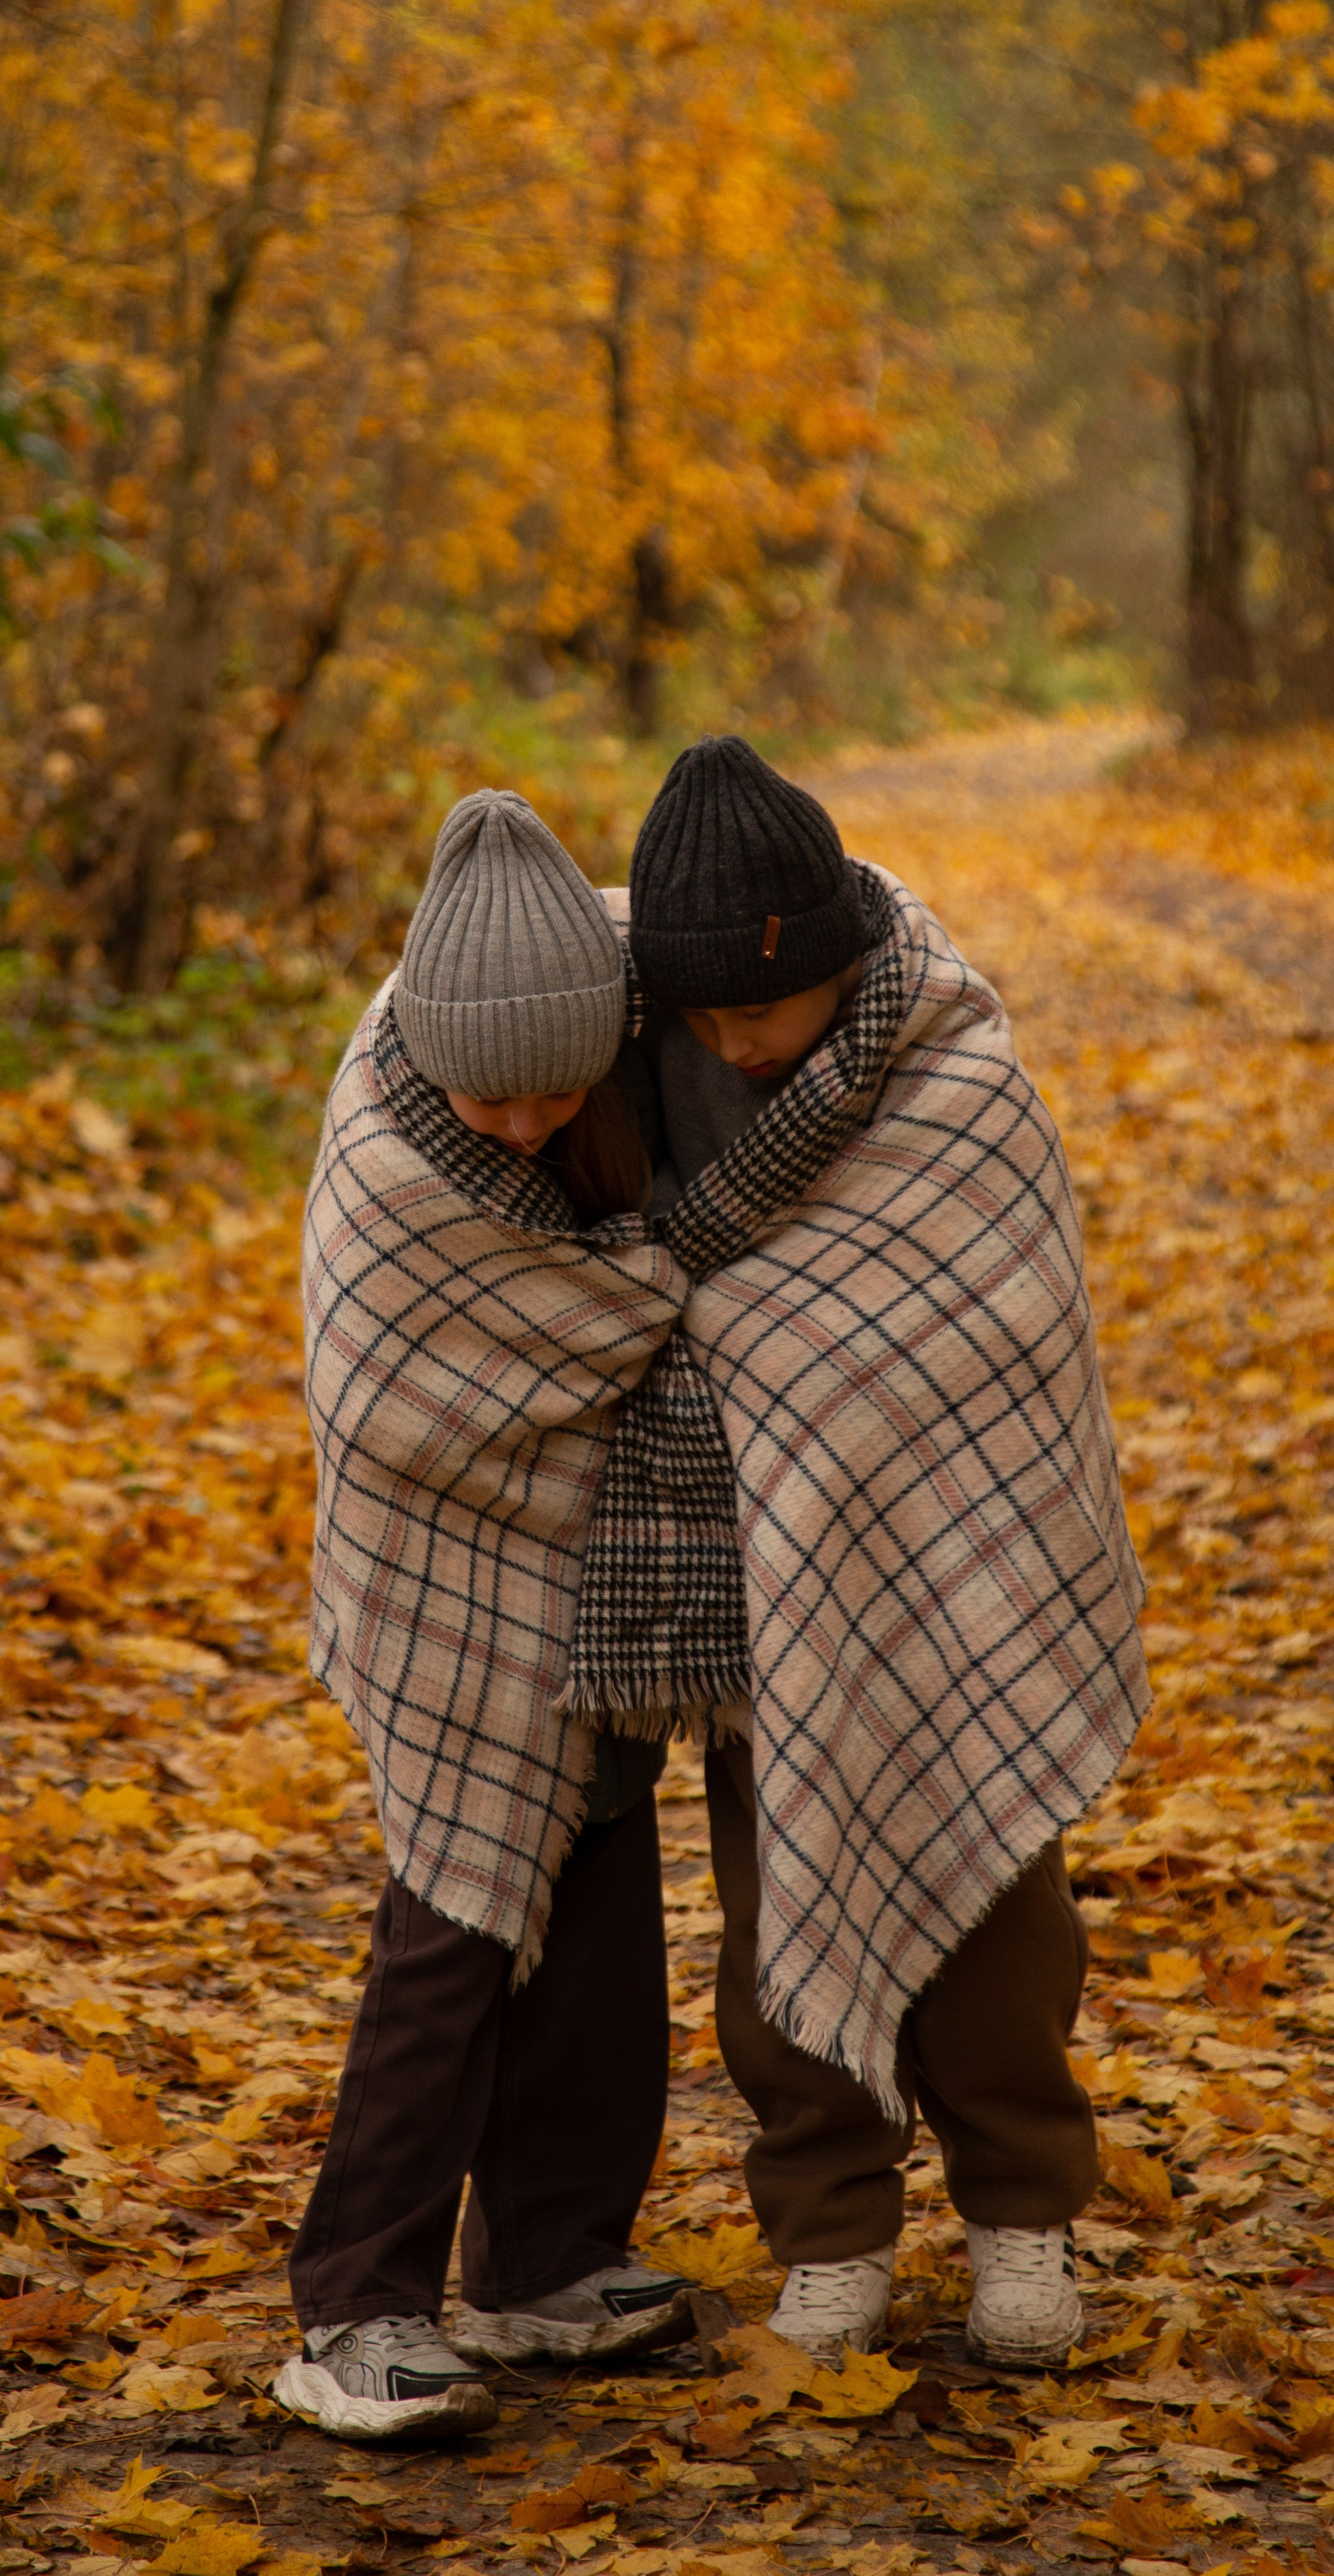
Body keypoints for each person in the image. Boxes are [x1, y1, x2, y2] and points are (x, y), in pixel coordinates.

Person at [619, 734, 1147, 2368]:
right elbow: (618, 1260)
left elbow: (1008, 1318)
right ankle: (830, 2228)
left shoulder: (953, 1077)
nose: (732, 1040)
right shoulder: (637, 1064)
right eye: (700, 1013)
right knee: (775, 1907)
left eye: (760, 1007)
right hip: (753, 1558)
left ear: (838, 955)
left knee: (998, 1920)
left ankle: (1020, 2214)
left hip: (956, 1568)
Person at [277, 790, 693, 2444]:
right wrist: (650, 1302)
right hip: (443, 1570)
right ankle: (352, 2304)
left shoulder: (627, 1070)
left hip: (600, 1570)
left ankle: (545, 2262)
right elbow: (401, 1395)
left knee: (601, 1910)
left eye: (554, 1093)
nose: (522, 1124)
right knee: (450, 1927)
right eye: (489, 1096)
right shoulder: (391, 1150)